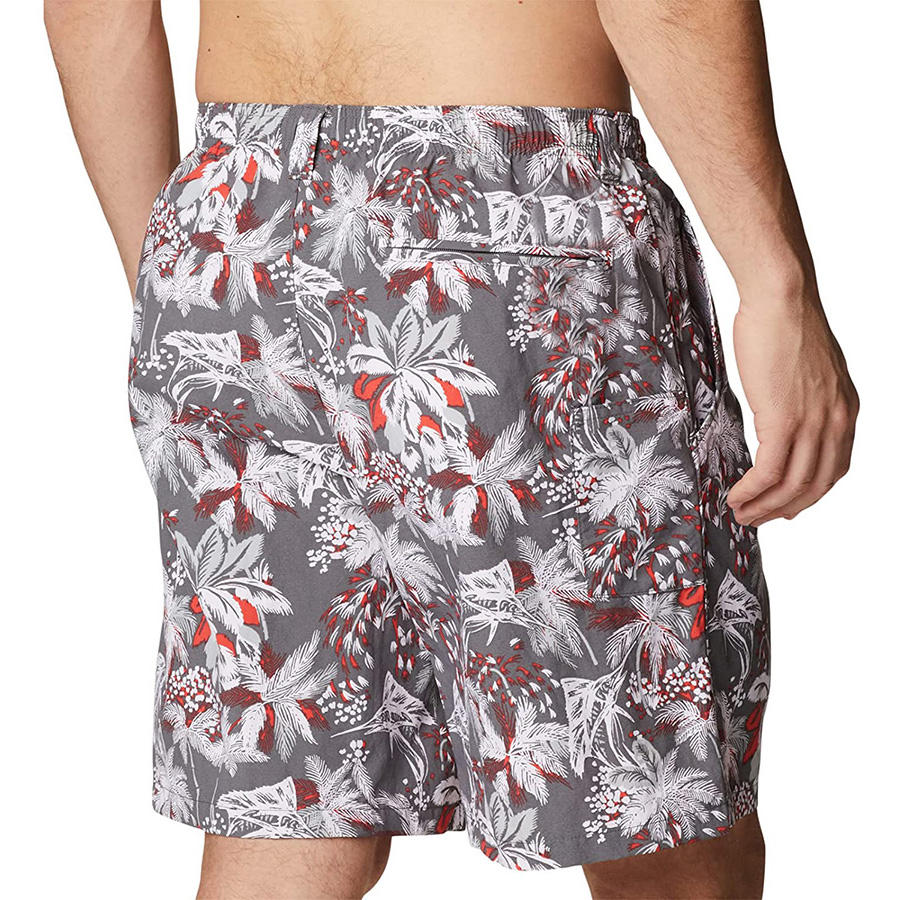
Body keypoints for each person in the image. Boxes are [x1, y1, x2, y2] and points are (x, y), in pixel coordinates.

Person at [45, 2, 858, 898]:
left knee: (288, 824)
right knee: (660, 822)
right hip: (498, 216)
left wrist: (191, 271)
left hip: (231, 219)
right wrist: (777, 283)